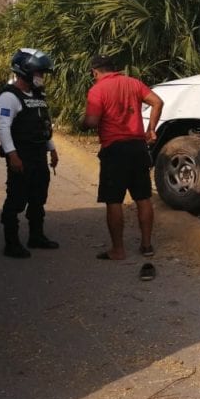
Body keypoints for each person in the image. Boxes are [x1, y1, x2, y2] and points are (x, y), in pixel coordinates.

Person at [82, 54, 164, 262]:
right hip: (137, 147)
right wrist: (151, 129)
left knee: (113, 200)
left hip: (114, 149)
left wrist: (83, 122)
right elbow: (157, 102)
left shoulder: (97, 89)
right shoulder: (133, 83)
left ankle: (118, 250)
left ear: (95, 72)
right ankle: (146, 245)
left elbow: (91, 122)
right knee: (143, 197)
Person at [0, 49, 59, 258]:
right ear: (25, 71)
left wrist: (52, 149)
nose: (41, 77)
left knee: (38, 197)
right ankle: (11, 243)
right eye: (39, 72)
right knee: (16, 199)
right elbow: (3, 127)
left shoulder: (38, 95)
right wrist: (12, 155)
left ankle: (36, 236)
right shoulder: (9, 97)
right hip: (21, 155)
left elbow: (42, 125)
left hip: (39, 153)